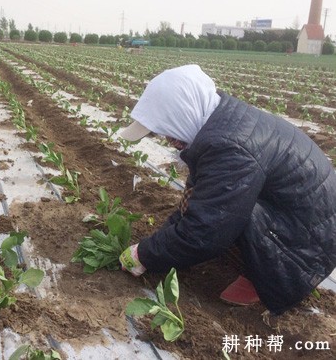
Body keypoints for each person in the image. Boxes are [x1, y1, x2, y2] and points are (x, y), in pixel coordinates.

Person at [118, 64, 336, 315]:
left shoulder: (230, 147)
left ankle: (271, 278)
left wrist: (145, 255)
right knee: (223, 207)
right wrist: (160, 239)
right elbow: (197, 201)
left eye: (166, 130)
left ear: (182, 113)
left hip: (310, 245)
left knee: (224, 217)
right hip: (303, 219)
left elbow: (205, 230)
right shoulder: (220, 124)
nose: (167, 140)